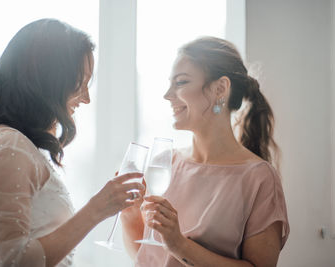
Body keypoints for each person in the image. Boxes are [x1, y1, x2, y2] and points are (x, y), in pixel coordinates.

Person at [0, 19, 144, 267]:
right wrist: (96, 210)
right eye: (81, 81)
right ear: (50, 80)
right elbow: (10, 261)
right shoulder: (8, 145)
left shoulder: (19, 144)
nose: (86, 98)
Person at [121, 37, 289, 267]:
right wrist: (129, 217)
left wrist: (180, 245)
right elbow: (148, 258)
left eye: (181, 82)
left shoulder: (259, 178)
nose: (168, 95)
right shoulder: (165, 163)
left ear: (220, 89)